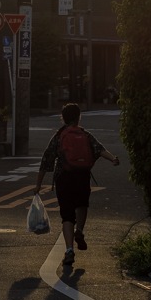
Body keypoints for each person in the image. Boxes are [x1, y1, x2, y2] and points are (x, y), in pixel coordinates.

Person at [33, 102, 120, 265]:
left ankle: (69, 250)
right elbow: (99, 149)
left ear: (63, 118)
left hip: (64, 177)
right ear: (79, 117)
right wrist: (113, 159)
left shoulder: (59, 136)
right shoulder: (84, 134)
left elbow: (46, 160)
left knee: (67, 215)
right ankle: (79, 231)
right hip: (82, 175)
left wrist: (38, 185)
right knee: (81, 205)